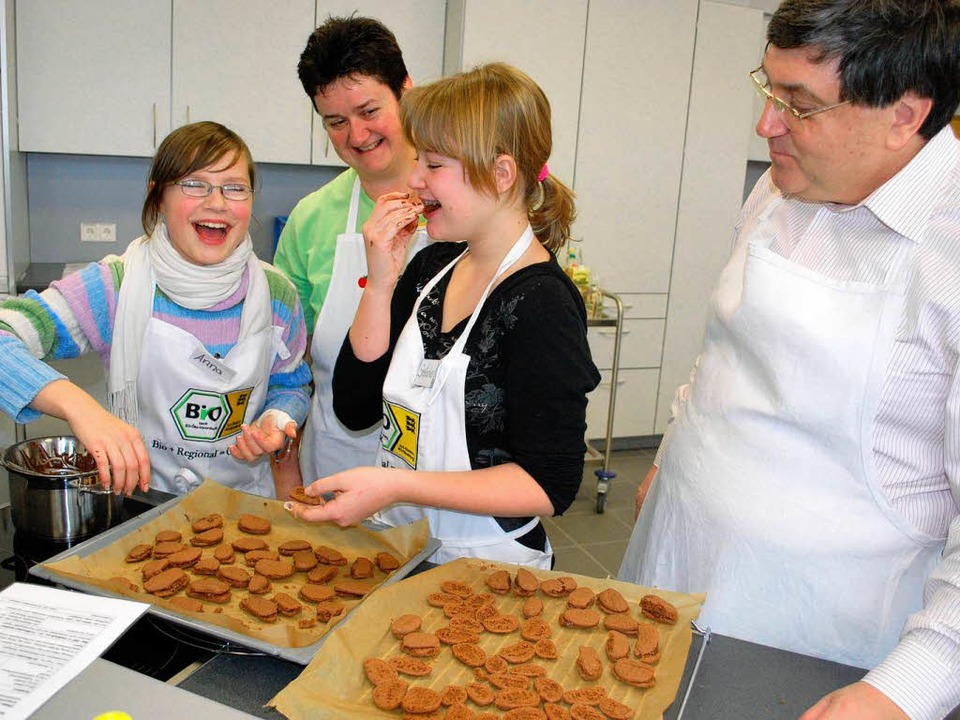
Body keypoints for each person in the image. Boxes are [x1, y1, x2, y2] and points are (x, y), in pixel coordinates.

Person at [619, 1, 960, 718]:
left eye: (799, 105)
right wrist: (673, 445)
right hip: (677, 560)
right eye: (769, 91)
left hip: (817, 637)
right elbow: (724, 345)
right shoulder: (780, 188)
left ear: (904, 114)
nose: (766, 126)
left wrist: (902, 690)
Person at [285, 63, 600, 569]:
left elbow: (550, 484)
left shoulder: (543, 304)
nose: (414, 179)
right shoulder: (434, 264)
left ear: (500, 174)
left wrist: (396, 485)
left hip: (487, 568)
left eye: (433, 164)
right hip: (406, 547)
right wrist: (382, 282)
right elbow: (354, 404)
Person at [0, 121, 312, 498]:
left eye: (235, 188)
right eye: (195, 184)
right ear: (158, 197)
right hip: (140, 507)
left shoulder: (277, 294)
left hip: (241, 514)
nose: (217, 202)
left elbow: (291, 384)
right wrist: (80, 407)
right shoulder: (115, 286)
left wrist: (277, 420)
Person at [272, 15, 429, 487]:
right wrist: (284, 467)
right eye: (336, 122)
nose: (357, 136)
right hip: (337, 460)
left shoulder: (457, 202)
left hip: (437, 470)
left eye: (369, 111)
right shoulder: (311, 218)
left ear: (406, 90)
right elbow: (285, 360)